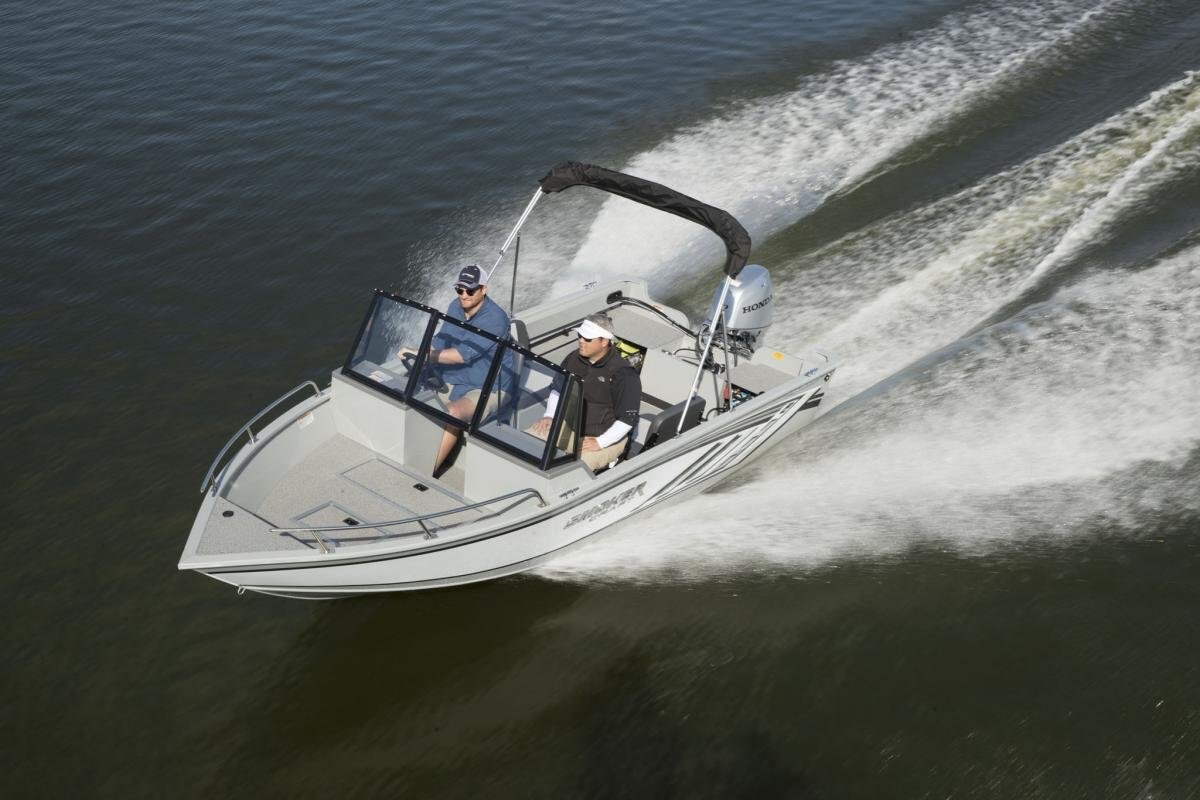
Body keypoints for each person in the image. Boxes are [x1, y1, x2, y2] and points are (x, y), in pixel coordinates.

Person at [399, 264, 509, 475]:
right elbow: (441, 341)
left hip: (489, 386)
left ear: (484, 289)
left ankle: (425, 471)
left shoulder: (495, 319)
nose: (464, 295)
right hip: (455, 377)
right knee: (403, 387)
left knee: (453, 413)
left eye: (471, 290)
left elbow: (461, 355)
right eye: (460, 289)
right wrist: (420, 354)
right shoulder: (455, 306)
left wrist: (422, 354)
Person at [529, 313, 641, 471]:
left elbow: (627, 420)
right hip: (570, 427)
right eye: (579, 336)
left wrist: (600, 442)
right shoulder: (573, 358)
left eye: (587, 338)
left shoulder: (624, 374)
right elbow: (557, 389)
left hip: (602, 438)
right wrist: (550, 416)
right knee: (527, 440)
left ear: (604, 342)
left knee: (573, 470)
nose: (581, 341)